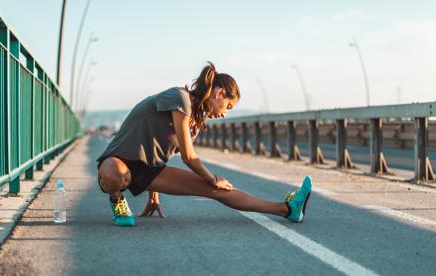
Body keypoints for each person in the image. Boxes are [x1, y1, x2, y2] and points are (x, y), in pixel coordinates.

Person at [97, 62, 312, 226]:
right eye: (227, 106)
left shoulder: (194, 125)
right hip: (118, 162)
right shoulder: (180, 99)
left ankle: (286, 209)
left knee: (218, 191)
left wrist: (154, 194)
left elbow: (160, 155)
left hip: (146, 172)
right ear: (218, 94)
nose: (224, 114)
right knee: (114, 173)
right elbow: (188, 157)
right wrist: (212, 178)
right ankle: (117, 200)